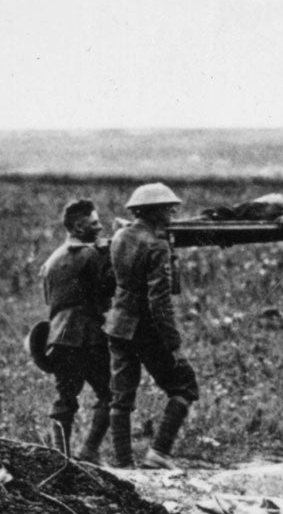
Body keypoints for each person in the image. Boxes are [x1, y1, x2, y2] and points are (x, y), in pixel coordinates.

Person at [105, 182, 200, 469]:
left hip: (119, 325)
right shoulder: (156, 245)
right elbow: (162, 298)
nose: (173, 211)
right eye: (167, 207)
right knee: (185, 387)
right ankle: (159, 452)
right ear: (154, 211)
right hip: (146, 330)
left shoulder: (120, 235)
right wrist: (173, 345)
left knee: (121, 396)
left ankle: (123, 464)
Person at [38, 197, 116, 460]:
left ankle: (62, 458)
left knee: (65, 398)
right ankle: (89, 452)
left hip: (58, 336)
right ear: (80, 228)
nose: (101, 227)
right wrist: (109, 255)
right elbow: (107, 291)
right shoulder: (90, 255)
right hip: (87, 335)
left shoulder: (52, 259)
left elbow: (53, 299)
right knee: (112, 393)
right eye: (94, 223)